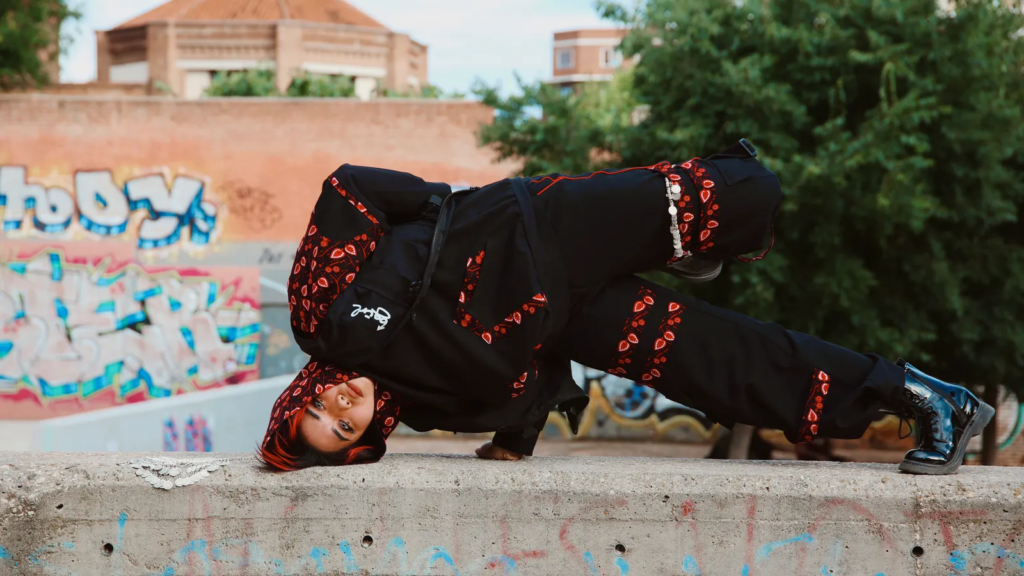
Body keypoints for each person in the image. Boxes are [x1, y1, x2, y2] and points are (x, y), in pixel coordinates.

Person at [258, 140, 993, 475]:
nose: (339, 403)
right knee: (721, 365)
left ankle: (710, 205)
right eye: (342, 427)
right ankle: (926, 398)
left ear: (303, 389)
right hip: (572, 314)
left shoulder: (320, 313)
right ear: (365, 441)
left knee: (740, 197)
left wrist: (454, 208)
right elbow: (530, 374)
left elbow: (351, 188)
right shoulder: (435, 401)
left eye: (316, 408)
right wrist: (513, 444)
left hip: (536, 225)